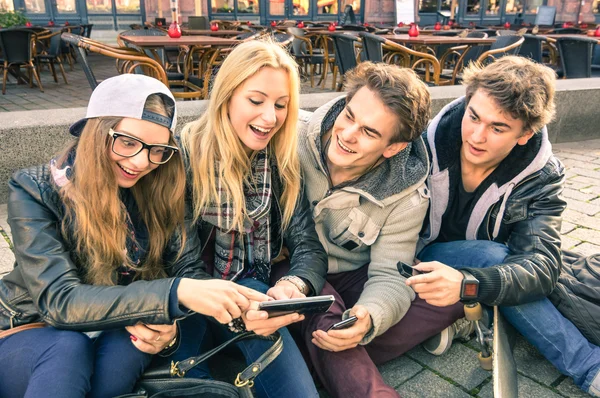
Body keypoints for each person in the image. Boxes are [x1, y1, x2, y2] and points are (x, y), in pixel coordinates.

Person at [0, 74, 268, 398]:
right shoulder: (34, 188)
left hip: (116, 325)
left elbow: (188, 271)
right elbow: (59, 300)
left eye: (157, 150)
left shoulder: (162, 186)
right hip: (33, 326)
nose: (141, 162)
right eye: (127, 142)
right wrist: (170, 294)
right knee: (67, 349)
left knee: (129, 350)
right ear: (95, 131)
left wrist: (169, 334)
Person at [408, 56, 600, 396]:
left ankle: (468, 315)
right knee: (494, 256)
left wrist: (469, 284)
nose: (477, 136)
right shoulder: (421, 144)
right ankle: (590, 367)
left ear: (525, 133)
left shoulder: (541, 176)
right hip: (411, 256)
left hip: (481, 264)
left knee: (505, 262)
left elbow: (541, 266)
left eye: (497, 128)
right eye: (474, 117)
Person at [292, 61, 464, 398]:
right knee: (325, 311)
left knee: (446, 295)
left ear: (393, 148)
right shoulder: (292, 136)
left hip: (355, 274)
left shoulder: (408, 195)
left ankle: (310, 360)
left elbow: (389, 274)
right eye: (349, 115)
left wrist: (369, 317)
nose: (347, 134)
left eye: (369, 132)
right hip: (296, 269)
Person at [172, 40, 328, 398]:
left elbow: (308, 246)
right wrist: (236, 306)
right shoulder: (182, 156)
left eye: (281, 105)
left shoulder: (282, 161)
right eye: (255, 101)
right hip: (189, 305)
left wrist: (293, 286)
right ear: (227, 96)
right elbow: (180, 262)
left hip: (254, 296)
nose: (270, 117)